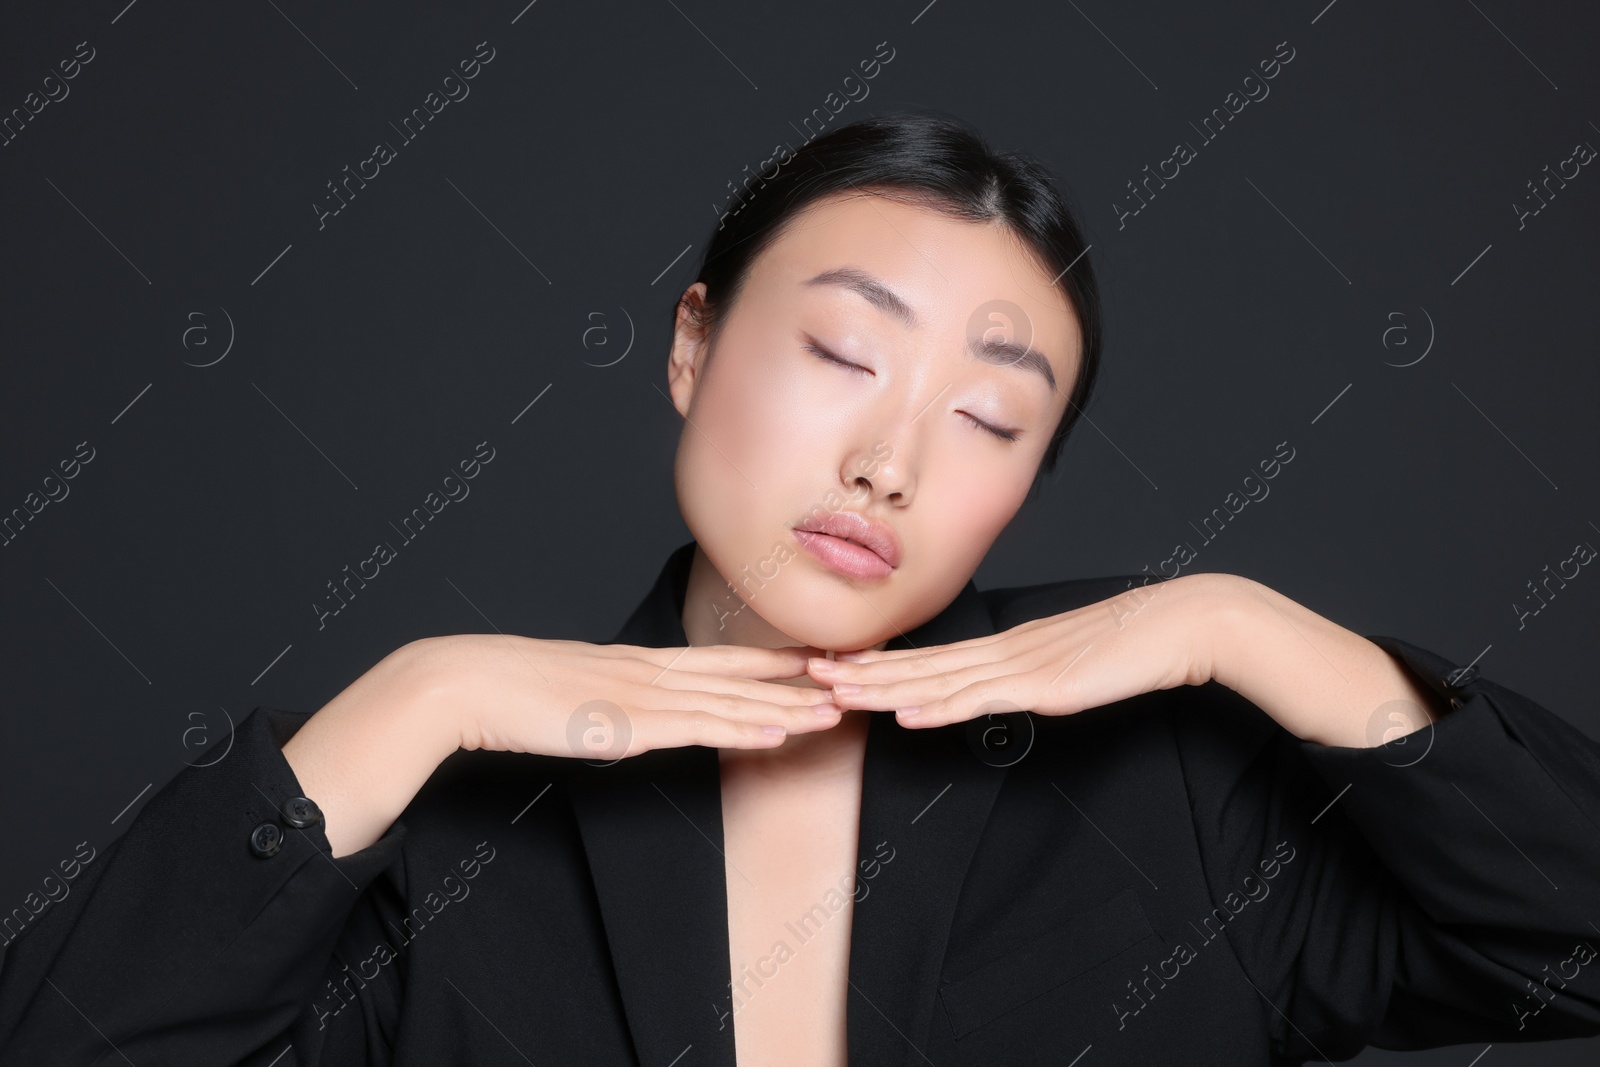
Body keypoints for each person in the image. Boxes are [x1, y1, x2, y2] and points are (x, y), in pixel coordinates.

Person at [2, 109, 1598, 1066]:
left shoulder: (1178, 788)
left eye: (988, 418)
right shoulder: (450, 825)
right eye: (842, 353)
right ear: (692, 345)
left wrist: (1256, 630)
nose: (891, 462)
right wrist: (420, 695)